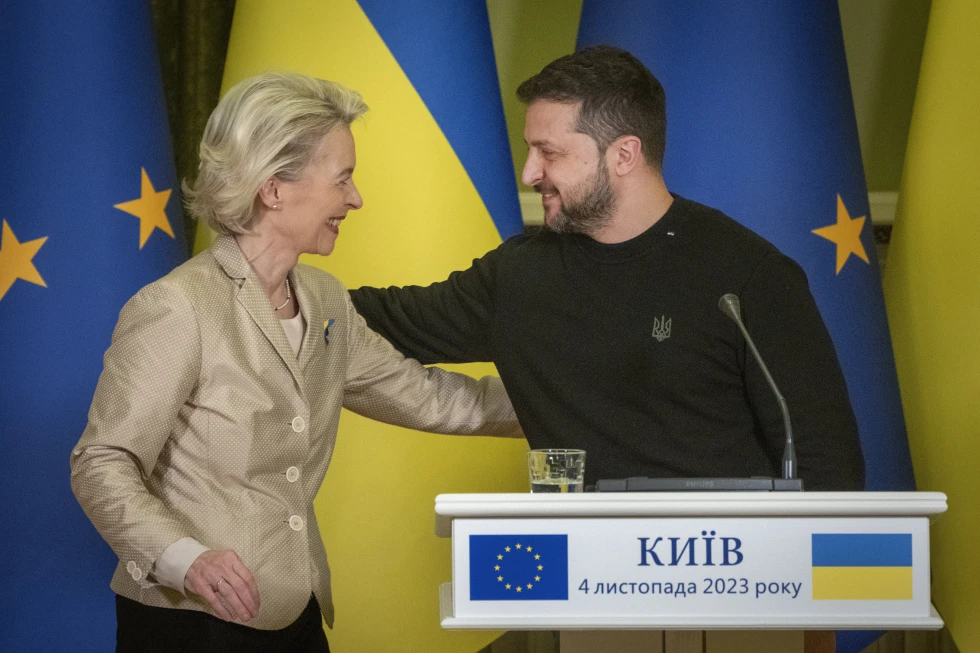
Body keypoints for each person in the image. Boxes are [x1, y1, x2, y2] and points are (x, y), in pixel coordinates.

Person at [70, 72, 521, 653]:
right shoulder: (177, 307)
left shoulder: (327, 299)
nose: (355, 199)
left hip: (297, 613)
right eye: (343, 179)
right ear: (273, 188)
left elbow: (429, 397)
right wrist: (187, 559)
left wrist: (559, 408)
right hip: (191, 621)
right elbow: (101, 462)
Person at [349, 46, 865, 492]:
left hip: (737, 584)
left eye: (548, 152)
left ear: (624, 155)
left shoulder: (749, 277)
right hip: (587, 587)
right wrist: (271, 273)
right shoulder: (519, 277)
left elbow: (827, 467)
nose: (529, 173)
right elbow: (378, 319)